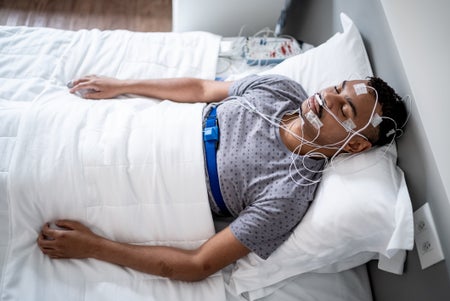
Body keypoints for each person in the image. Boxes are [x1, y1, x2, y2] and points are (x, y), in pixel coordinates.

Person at [37, 74, 407, 282]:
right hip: (136, 128)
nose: (326, 97)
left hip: (148, 181)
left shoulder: (290, 192)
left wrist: (94, 247)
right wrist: (121, 85)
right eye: (339, 87)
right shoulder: (281, 91)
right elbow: (201, 90)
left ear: (355, 147)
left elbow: (200, 265)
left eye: (343, 107)